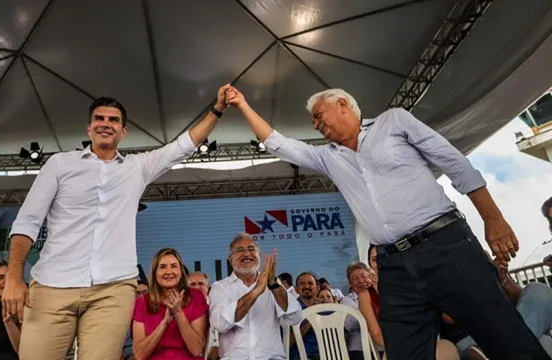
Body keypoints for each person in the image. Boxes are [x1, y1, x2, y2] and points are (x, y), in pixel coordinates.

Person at [225, 86, 549, 360]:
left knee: (504, 336)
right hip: (392, 265)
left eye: (318, 116)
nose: (315, 125)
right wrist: (242, 104)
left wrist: (493, 219)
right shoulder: (328, 156)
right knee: (403, 351)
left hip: (446, 245)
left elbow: (453, 162)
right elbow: (279, 142)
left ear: (342, 105)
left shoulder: (393, 121)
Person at [3, 85, 231, 360]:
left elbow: (185, 144)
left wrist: (217, 109)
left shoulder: (138, 167)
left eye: (113, 120)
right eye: (99, 118)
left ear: (123, 131)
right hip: (53, 283)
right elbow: (27, 221)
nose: (105, 124)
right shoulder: (60, 164)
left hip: (112, 290)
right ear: (89, 128)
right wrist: (14, 277)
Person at [209, 233, 302, 359]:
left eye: (252, 249)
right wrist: (256, 291)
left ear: (259, 255)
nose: (247, 254)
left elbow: (295, 317)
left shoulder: (273, 285)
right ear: (230, 259)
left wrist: (274, 285)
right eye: (240, 250)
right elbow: (220, 324)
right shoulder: (220, 287)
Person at [132, 248, 208, 359]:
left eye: (174, 266)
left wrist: (178, 313)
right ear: (155, 273)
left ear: (181, 272)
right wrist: (164, 323)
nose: (168, 272)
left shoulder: (196, 297)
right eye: (162, 267)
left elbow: (196, 349)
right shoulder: (142, 302)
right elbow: (139, 355)